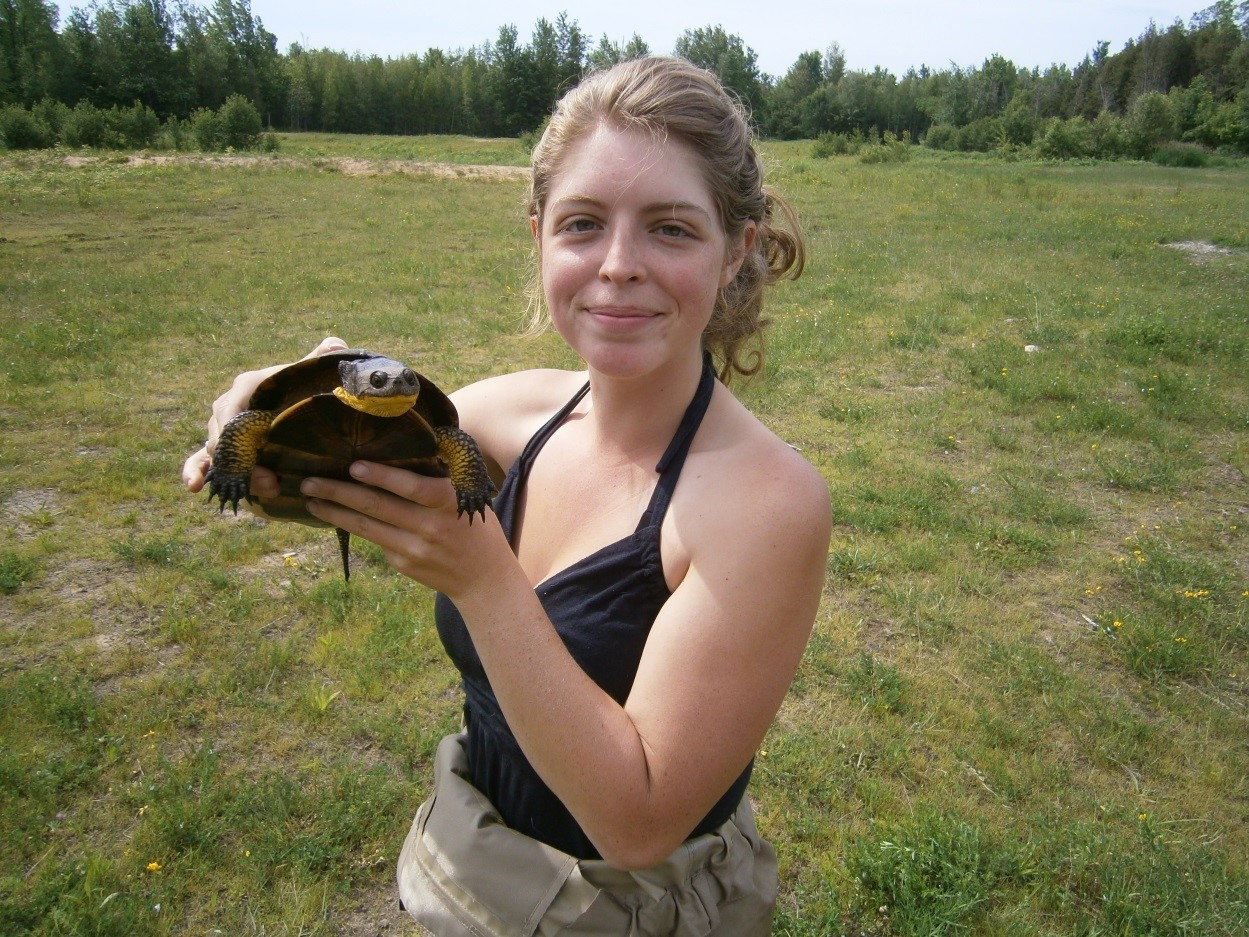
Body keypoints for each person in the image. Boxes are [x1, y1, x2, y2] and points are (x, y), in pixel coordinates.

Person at [183, 55, 831, 936]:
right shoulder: (512, 414)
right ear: (538, 237)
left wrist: (485, 582)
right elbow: (363, 402)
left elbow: (638, 823)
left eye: (671, 229)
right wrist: (254, 411)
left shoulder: (766, 503)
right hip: (471, 858)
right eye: (582, 223)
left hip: (632, 908)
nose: (617, 265)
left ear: (736, 249)